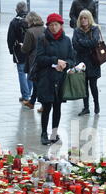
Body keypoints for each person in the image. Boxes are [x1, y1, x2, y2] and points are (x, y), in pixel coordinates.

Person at [35, 13, 75, 146]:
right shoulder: (43, 39)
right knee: (46, 106)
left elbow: (71, 59)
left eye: (56, 25)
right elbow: (39, 59)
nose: (53, 27)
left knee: (57, 107)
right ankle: (43, 134)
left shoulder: (67, 40)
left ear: (61, 25)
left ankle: (54, 133)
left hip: (60, 78)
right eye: (51, 25)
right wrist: (55, 61)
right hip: (46, 78)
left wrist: (65, 64)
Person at [72, 10, 101, 116]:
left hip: (93, 61)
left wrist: (82, 42)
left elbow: (94, 42)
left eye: (85, 18)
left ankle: (96, 105)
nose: (83, 20)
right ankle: (86, 107)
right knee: (83, 86)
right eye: (81, 18)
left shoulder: (95, 29)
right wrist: (86, 44)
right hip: (81, 61)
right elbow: (75, 45)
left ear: (89, 19)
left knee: (93, 85)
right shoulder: (77, 31)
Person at [21, 12, 46, 110]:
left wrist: (21, 46)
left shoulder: (30, 31)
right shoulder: (44, 29)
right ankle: (32, 102)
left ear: (30, 21)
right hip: (44, 58)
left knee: (37, 82)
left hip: (33, 60)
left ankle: (43, 104)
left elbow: (25, 49)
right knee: (39, 81)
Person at [7, 2, 31, 106]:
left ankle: (26, 96)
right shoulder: (31, 20)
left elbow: (10, 38)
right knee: (30, 72)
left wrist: (11, 50)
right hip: (31, 50)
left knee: (21, 72)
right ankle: (28, 93)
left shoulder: (14, 22)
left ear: (17, 10)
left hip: (19, 50)